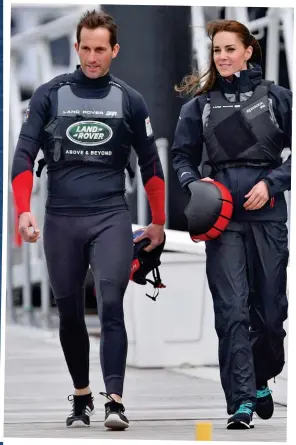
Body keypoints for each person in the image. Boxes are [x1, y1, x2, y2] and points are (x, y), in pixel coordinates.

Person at [11, 9, 166, 431]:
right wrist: (23, 210)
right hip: (60, 219)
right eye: (85, 48)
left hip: (109, 215)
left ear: (114, 50)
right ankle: (81, 397)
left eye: (101, 49)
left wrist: (158, 221)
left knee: (111, 302)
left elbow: (152, 165)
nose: (92, 57)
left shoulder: (130, 99)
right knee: (69, 312)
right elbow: (23, 157)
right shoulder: (49, 94)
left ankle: (114, 400)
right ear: (76, 47)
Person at [171, 19, 291, 430]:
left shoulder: (278, 97)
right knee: (232, 311)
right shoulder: (198, 106)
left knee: (271, 314)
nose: (221, 57)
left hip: (268, 213)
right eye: (216, 51)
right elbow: (182, 158)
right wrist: (195, 184)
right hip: (221, 219)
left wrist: (272, 183)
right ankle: (241, 401)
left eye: (228, 49)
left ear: (247, 51)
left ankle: (261, 377)